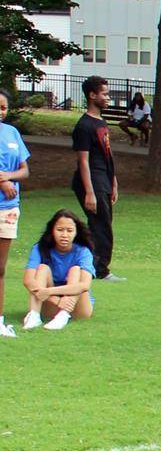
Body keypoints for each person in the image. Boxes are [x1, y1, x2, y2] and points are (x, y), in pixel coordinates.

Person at [71, 75, 123, 282]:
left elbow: (107, 154)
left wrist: (114, 182)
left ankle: (89, 267)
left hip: (104, 180)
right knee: (101, 227)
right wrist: (90, 193)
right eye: (105, 94)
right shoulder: (84, 126)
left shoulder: (101, 122)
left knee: (101, 225)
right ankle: (99, 270)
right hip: (92, 182)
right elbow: (83, 161)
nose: (108, 98)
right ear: (92, 95)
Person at [22, 209, 95, 331]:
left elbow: (85, 285)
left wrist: (49, 291)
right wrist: (55, 299)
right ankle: (34, 316)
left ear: (76, 232)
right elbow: (28, 280)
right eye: (60, 230)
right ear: (52, 230)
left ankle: (63, 316)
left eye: (70, 230)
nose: (64, 235)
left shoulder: (83, 251)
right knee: (42, 268)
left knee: (76, 270)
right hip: (50, 305)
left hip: (77, 307)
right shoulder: (39, 248)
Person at [0, 88, 30, 337]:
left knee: (0, 268)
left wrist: (9, 177)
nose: (0, 111)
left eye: (3, 107)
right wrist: (2, 182)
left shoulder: (12, 133)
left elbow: (24, 170)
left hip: (8, 208)